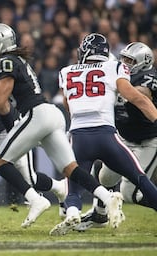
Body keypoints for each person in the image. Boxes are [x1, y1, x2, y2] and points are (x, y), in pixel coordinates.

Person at [0, 23, 124, 231]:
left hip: (36, 115)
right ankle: (108, 196)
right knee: (70, 169)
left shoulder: (6, 61)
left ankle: (35, 199)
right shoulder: (13, 59)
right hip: (51, 114)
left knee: (1, 162)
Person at [54, 33, 157, 236]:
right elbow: (137, 98)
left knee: (74, 186)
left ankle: (72, 211)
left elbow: (68, 105)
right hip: (108, 136)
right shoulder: (113, 68)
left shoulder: (66, 71)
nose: (126, 63)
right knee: (138, 180)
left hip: (80, 137)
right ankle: (98, 214)